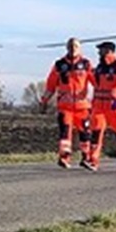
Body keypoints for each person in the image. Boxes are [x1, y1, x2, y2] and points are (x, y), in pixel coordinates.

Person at [40, 37, 94, 169]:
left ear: (79, 48)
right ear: (66, 47)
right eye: (70, 46)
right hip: (65, 106)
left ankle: (86, 157)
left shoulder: (86, 64)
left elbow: (96, 82)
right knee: (65, 133)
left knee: (85, 133)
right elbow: (50, 85)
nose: (73, 48)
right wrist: (44, 101)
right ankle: (64, 158)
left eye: (75, 46)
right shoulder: (59, 65)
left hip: (82, 106)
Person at [86, 41, 116, 170]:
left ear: (109, 51)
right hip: (99, 105)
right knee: (95, 131)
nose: (98, 53)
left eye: (101, 50)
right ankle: (93, 160)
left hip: (114, 105)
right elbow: (94, 82)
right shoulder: (99, 68)